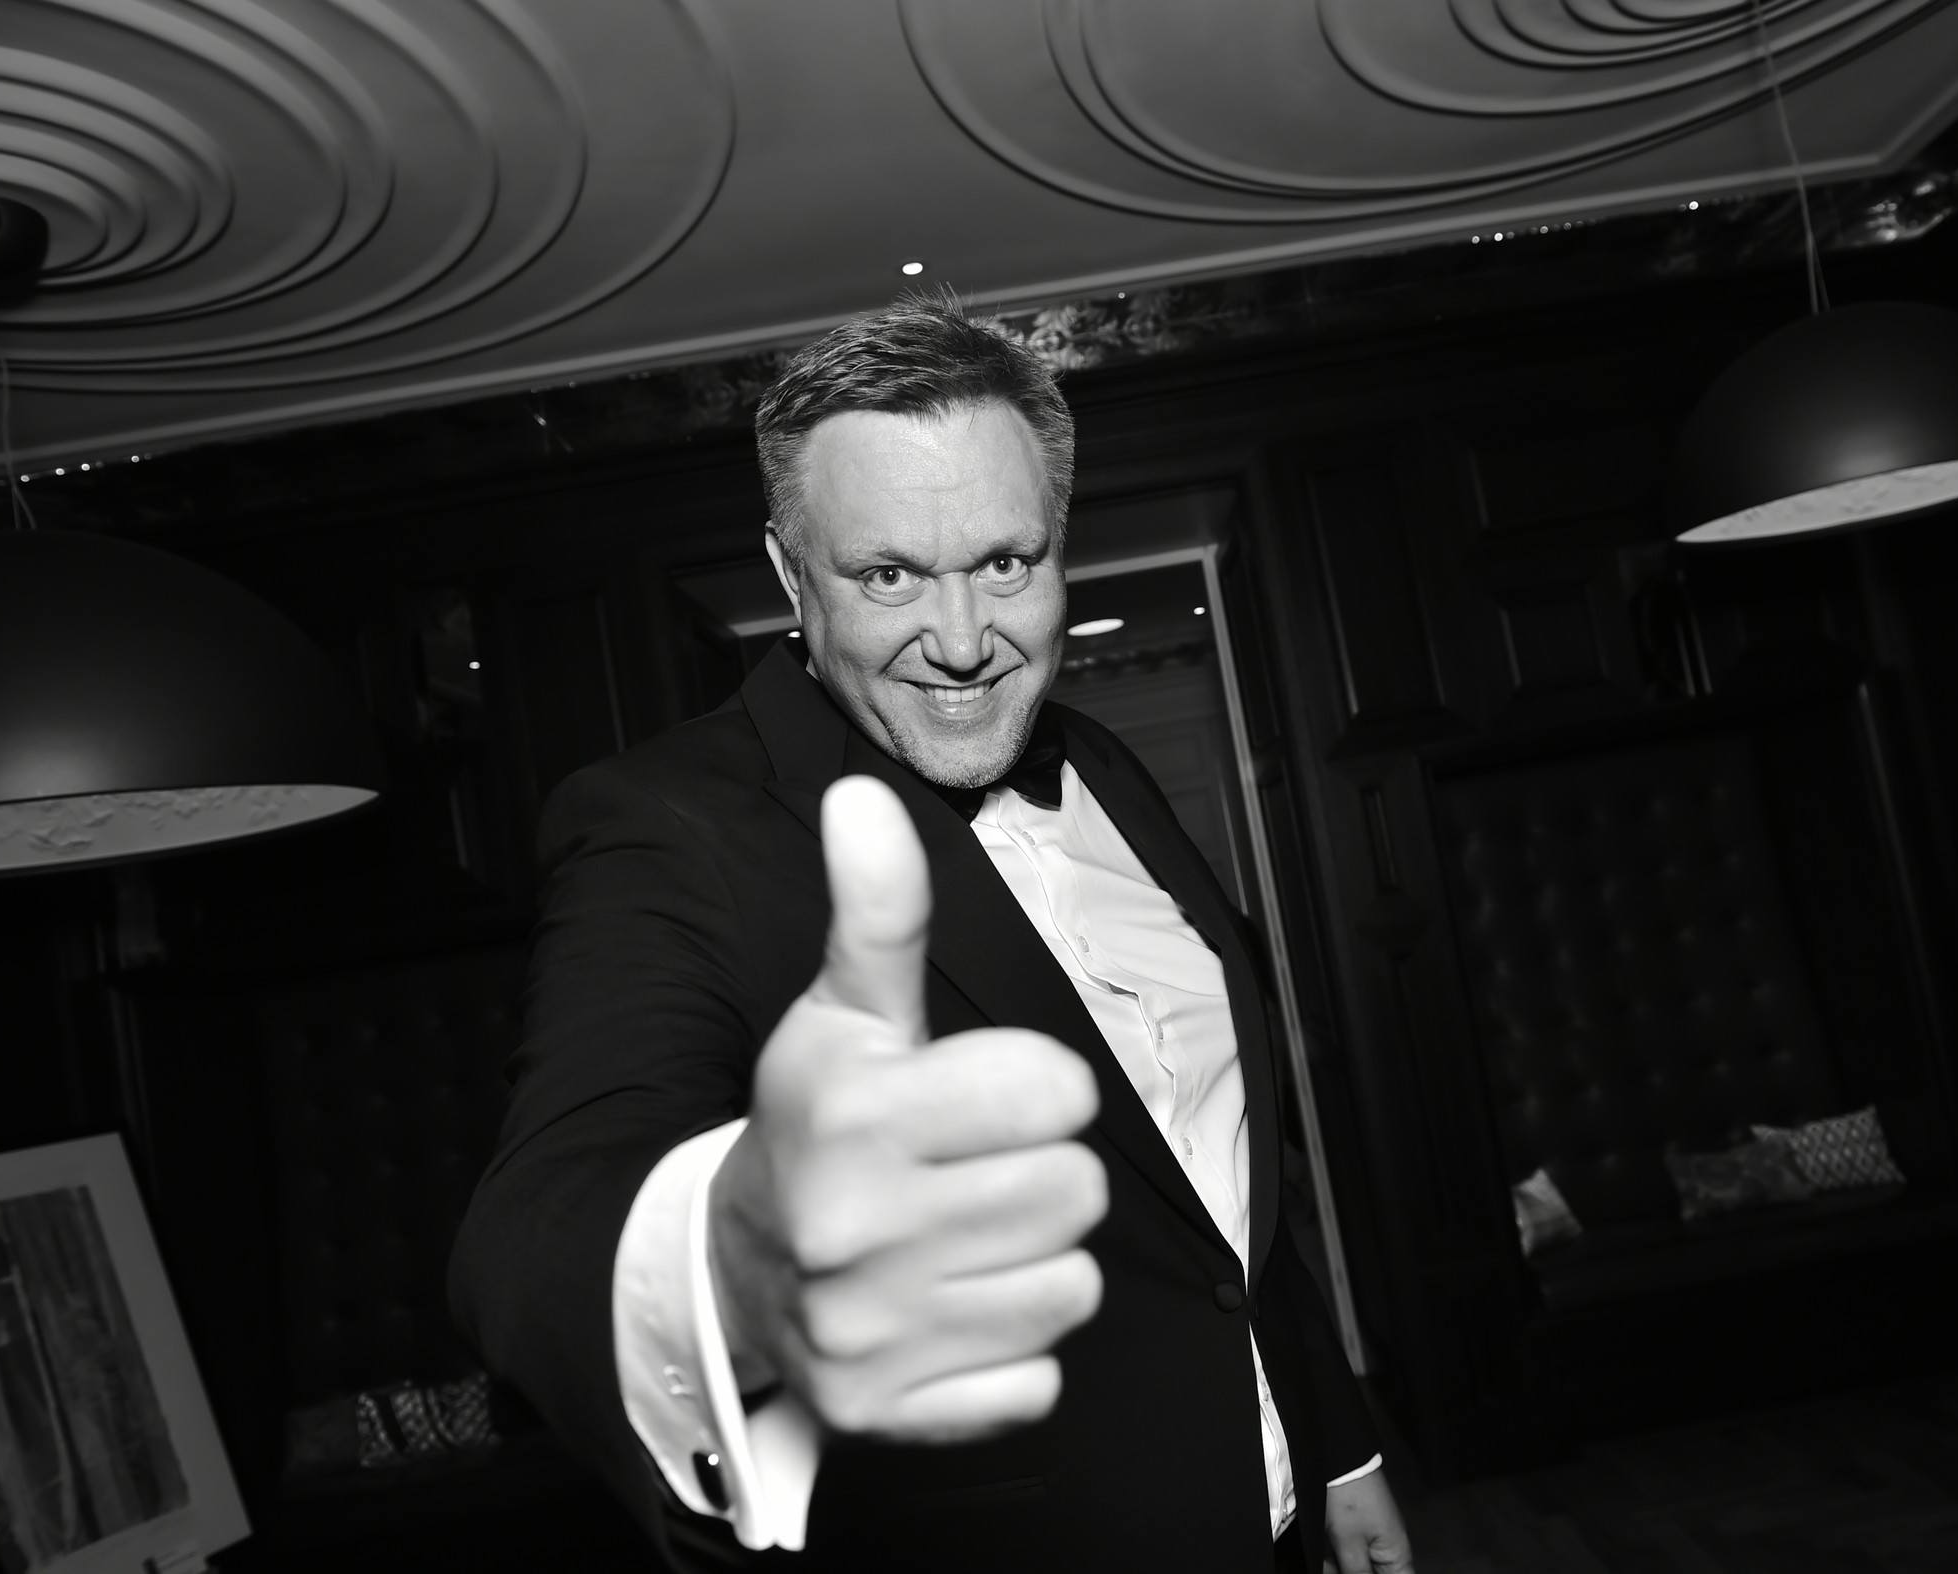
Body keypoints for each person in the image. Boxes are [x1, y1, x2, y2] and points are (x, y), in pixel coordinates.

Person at [450, 293, 1416, 1574]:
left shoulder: (1103, 763)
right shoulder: (666, 828)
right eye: (888, 574)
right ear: (792, 576)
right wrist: (725, 1266)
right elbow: (544, 1217)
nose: (963, 645)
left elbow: (1217, 1191)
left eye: (1006, 563)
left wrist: (1339, 1450)